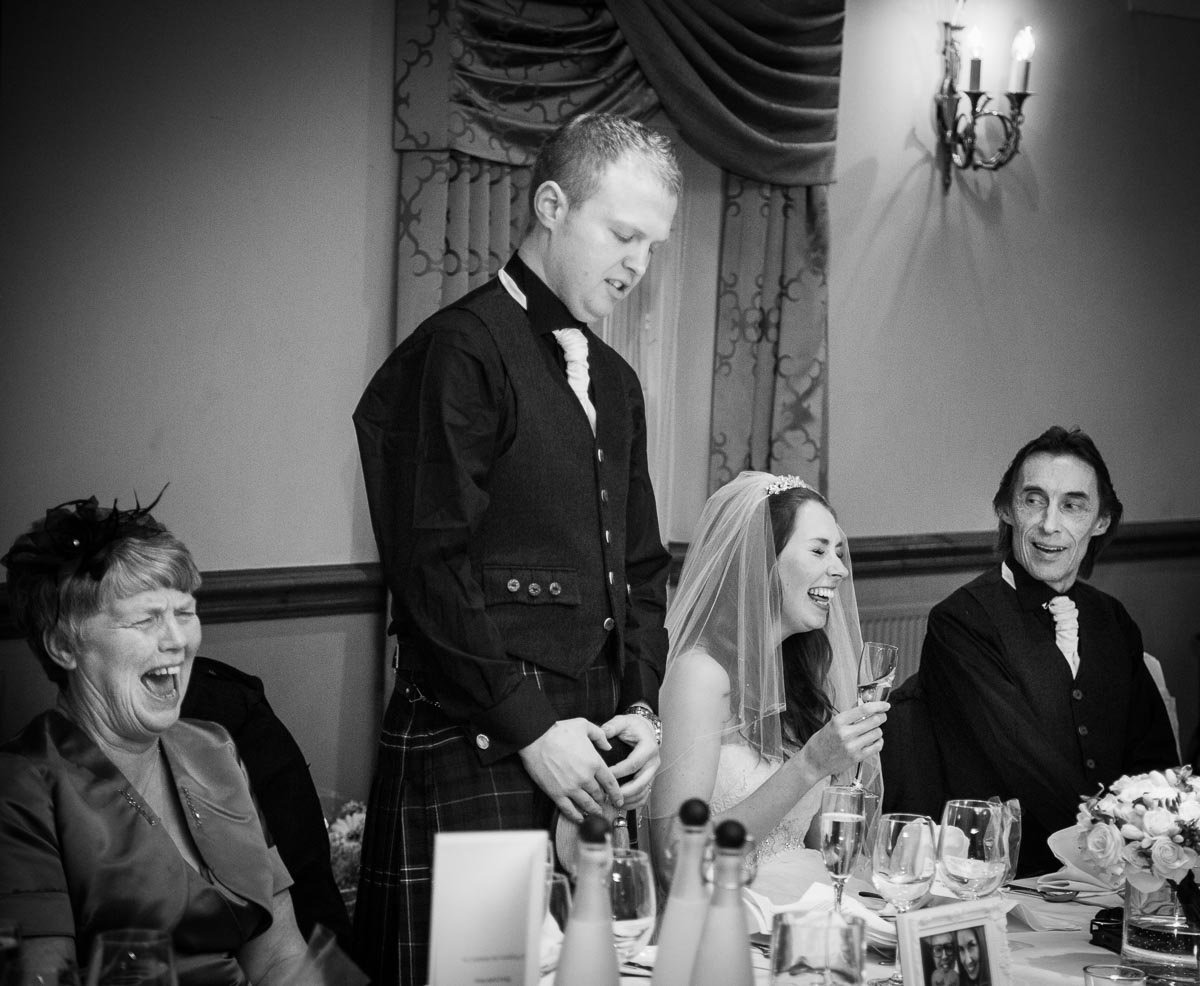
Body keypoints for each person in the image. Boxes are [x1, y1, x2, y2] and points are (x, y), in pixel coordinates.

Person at [351, 112, 680, 985]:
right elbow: (430, 567)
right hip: (478, 741)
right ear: (552, 206)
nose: (637, 265)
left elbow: (642, 571)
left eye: (652, 247)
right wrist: (531, 728)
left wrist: (642, 710)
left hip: (593, 755)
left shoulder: (618, 381)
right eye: (623, 235)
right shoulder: (458, 350)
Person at [0, 495, 347, 986]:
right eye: (146, 620)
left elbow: (280, 959)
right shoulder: (20, 785)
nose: (178, 641)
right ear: (63, 645)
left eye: (184, 613)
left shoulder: (216, 748)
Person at [884, 426, 1177, 875]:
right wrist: (1111, 851)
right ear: (1006, 509)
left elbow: (1155, 761)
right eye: (1034, 500)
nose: (1049, 524)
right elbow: (1024, 767)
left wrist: (1158, 848)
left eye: (1072, 505)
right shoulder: (961, 621)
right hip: (1012, 876)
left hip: (1123, 872)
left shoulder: (1113, 620)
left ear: (1101, 521)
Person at [648, 472, 888, 887]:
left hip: (809, 898)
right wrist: (810, 764)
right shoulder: (700, 676)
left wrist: (843, 769)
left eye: (838, 553)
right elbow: (675, 858)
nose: (840, 570)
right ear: (762, 561)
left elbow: (819, 844)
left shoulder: (799, 676)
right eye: (819, 551)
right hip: (729, 908)